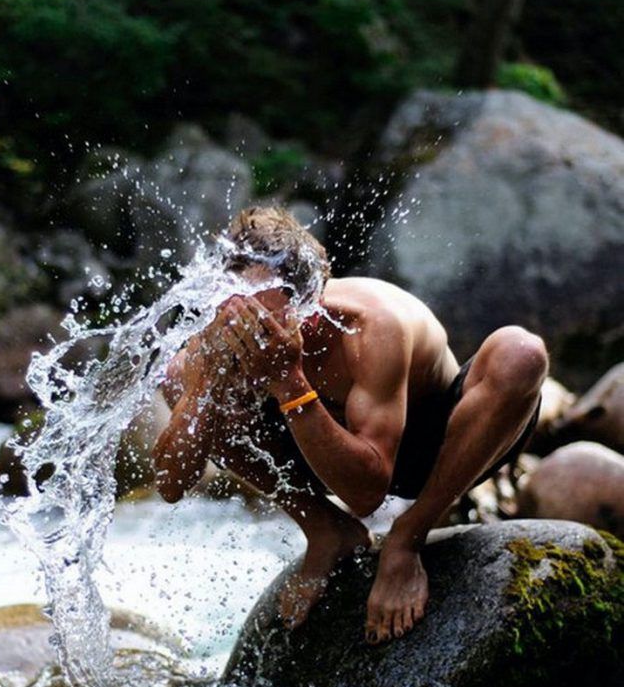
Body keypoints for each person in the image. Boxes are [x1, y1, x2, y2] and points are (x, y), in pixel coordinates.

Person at [153, 206, 547, 644]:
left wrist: (288, 381)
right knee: (176, 376)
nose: (252, 334)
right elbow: (170, 485)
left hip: (440, 449)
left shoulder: (370, 328)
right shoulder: (216, 336)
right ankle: (325, 529)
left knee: (521, 353)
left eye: (269, 322)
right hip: (319, 454)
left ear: (311, 306)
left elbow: (366, 494)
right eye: (239, 315)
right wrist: (208, 383)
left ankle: (408, 537)